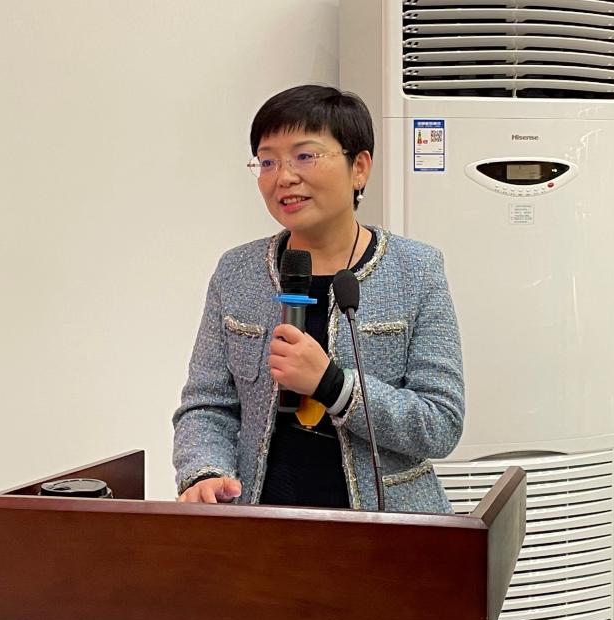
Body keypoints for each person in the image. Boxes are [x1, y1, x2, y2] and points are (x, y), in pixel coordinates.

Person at [172, 84, 464, 512]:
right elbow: (206, 405)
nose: (284, 177)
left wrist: (333, 385)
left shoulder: (416, 269)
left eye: (305, 156)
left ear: (359, 168)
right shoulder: (236, 272)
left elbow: (441, 423)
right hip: (262, 521)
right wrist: (204, 472)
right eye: (267, 161)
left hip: (388, 529)